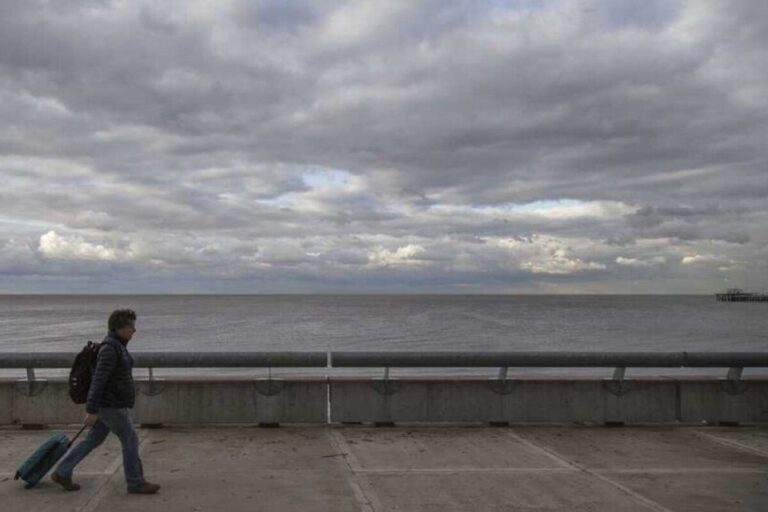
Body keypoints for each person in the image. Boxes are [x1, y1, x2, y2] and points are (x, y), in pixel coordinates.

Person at [51, 309, 160, 495]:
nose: (134, 331)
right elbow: (98, 380)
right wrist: (92, 410)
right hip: (111, 406)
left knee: (94, 439)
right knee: (130, 440)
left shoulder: (117, 345)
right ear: (119, 328)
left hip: (109, 404)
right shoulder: (110, 349)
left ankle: (62, 471)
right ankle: (135, 482)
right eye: (131, 327)